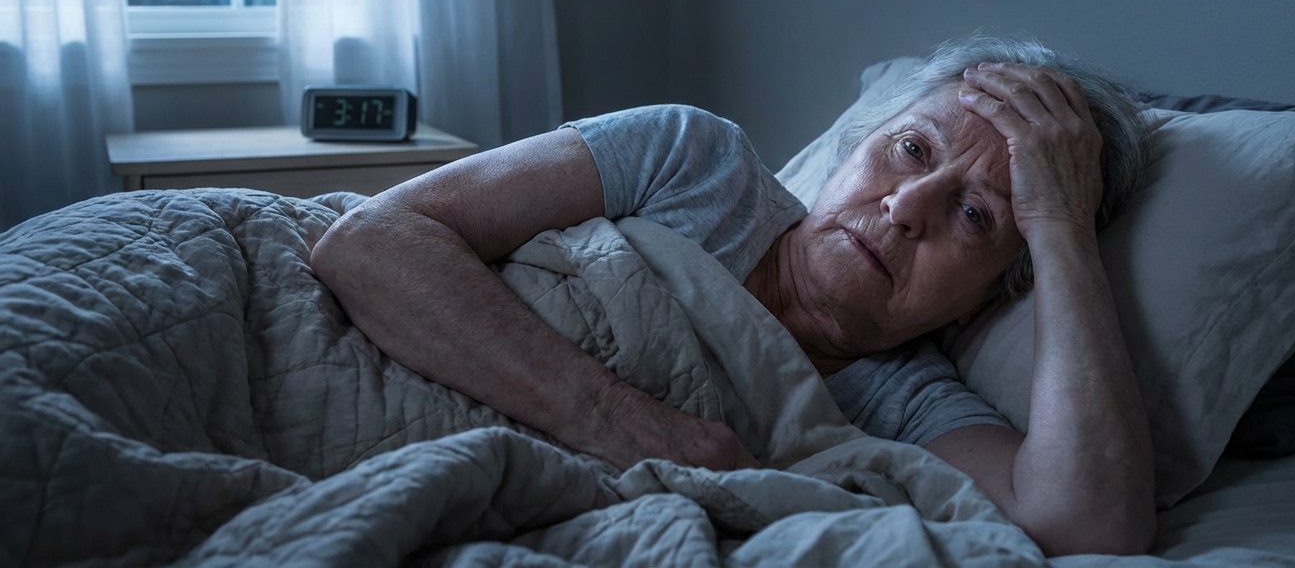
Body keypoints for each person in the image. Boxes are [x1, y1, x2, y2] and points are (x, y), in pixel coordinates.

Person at [310, 33, 1156, 556]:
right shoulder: (695, 162)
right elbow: (370, 240)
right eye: (909, 149)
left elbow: (1089, 527)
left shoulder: (905, 406)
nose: (905, 209)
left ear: (986, 300)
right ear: (855, 147)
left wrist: (1061, 227)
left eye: (975, 215)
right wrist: (618, 421)